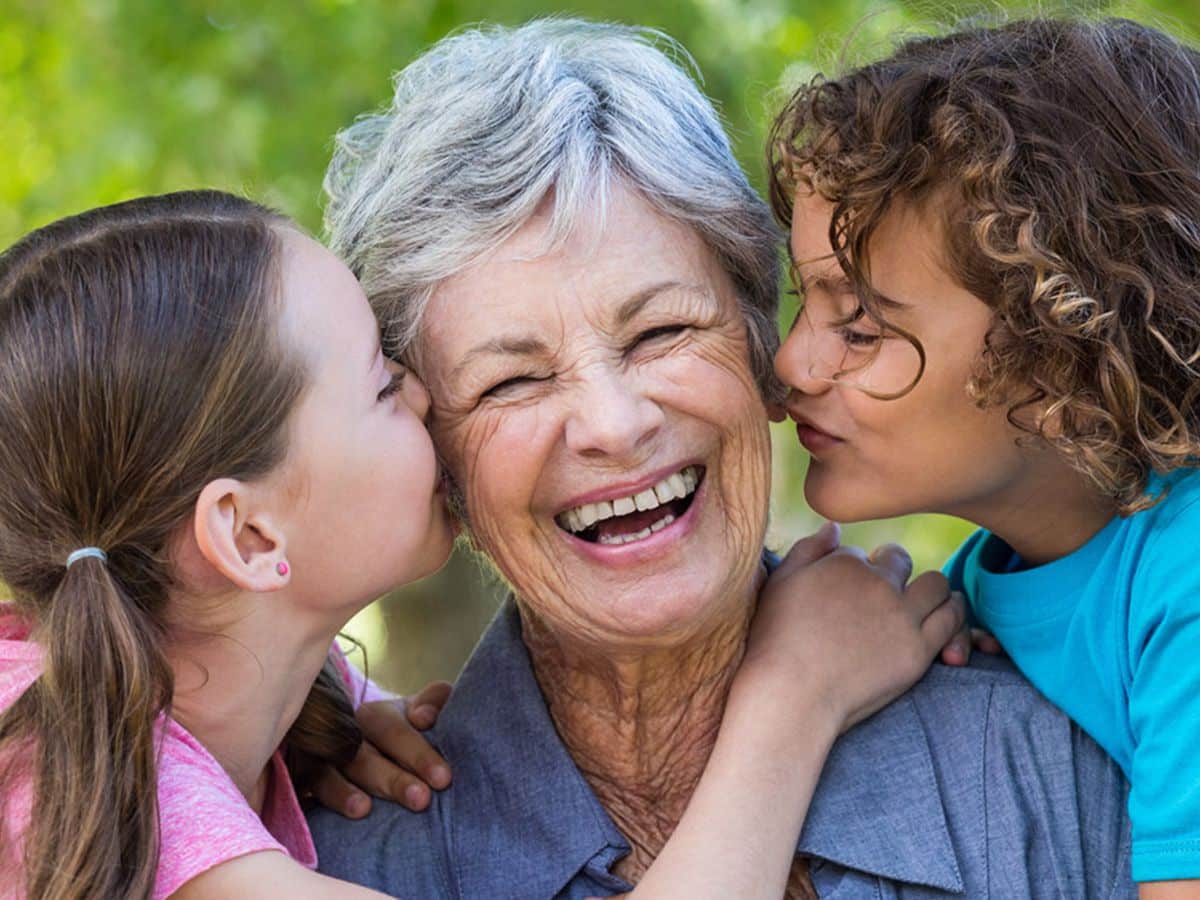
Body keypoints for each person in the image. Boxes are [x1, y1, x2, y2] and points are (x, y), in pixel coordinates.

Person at [310, 19, 1135, 898]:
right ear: (436, 464)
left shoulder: (1056, 759)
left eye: (662, 331)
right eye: (513, 381)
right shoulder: (339, 860)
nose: (615, 425)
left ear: (758, 353)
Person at [0, 191, 960, 900]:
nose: (427, 401)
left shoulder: (221, 698)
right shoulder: (72, 779)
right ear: (250, 535)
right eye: (384, 386)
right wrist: (795, 695)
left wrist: (325, 716)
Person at [768, 15, 1200, 895]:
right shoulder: (989, 582)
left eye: (859, 326)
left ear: (1065, 352)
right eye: (798, 304)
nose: (788, 365)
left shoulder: (1185, 585)